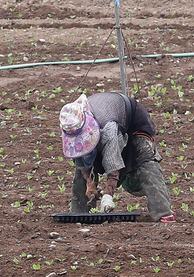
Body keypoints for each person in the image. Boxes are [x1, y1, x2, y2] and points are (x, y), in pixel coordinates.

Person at [58, 92, 174, 222]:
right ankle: (78, 213)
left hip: (132, 121)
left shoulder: (108, 129)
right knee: (81, 164)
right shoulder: (70, 121)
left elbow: (113, 164)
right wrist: (89, 183)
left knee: (145, 159)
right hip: (108, 119)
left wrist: (108, 195)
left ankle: (163, 211)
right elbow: (80, 158)